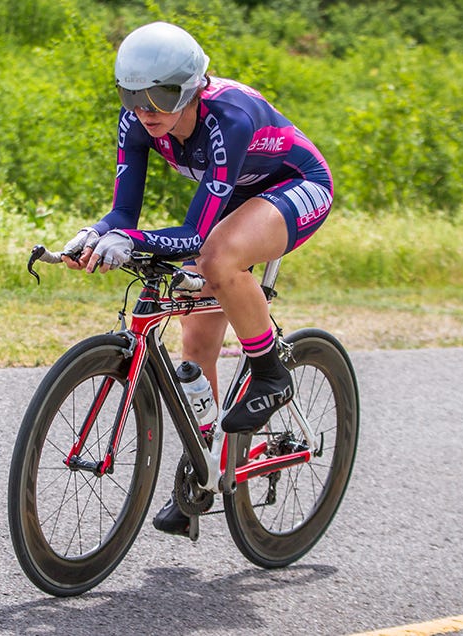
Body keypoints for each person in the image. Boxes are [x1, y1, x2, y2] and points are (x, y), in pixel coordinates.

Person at [61, 21, 334, 536]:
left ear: (191, 88)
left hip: (298, 185)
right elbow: (124, 213)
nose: (146, 110)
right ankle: (202, 471)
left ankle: (271, 374)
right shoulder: (137, 122)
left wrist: (134, 242)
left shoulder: (225, 118)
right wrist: (94, 236)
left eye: (161, 97)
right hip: (234, 193)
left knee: (215, 259)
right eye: (132, 96)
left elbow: (194, 233)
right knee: (196, 333)